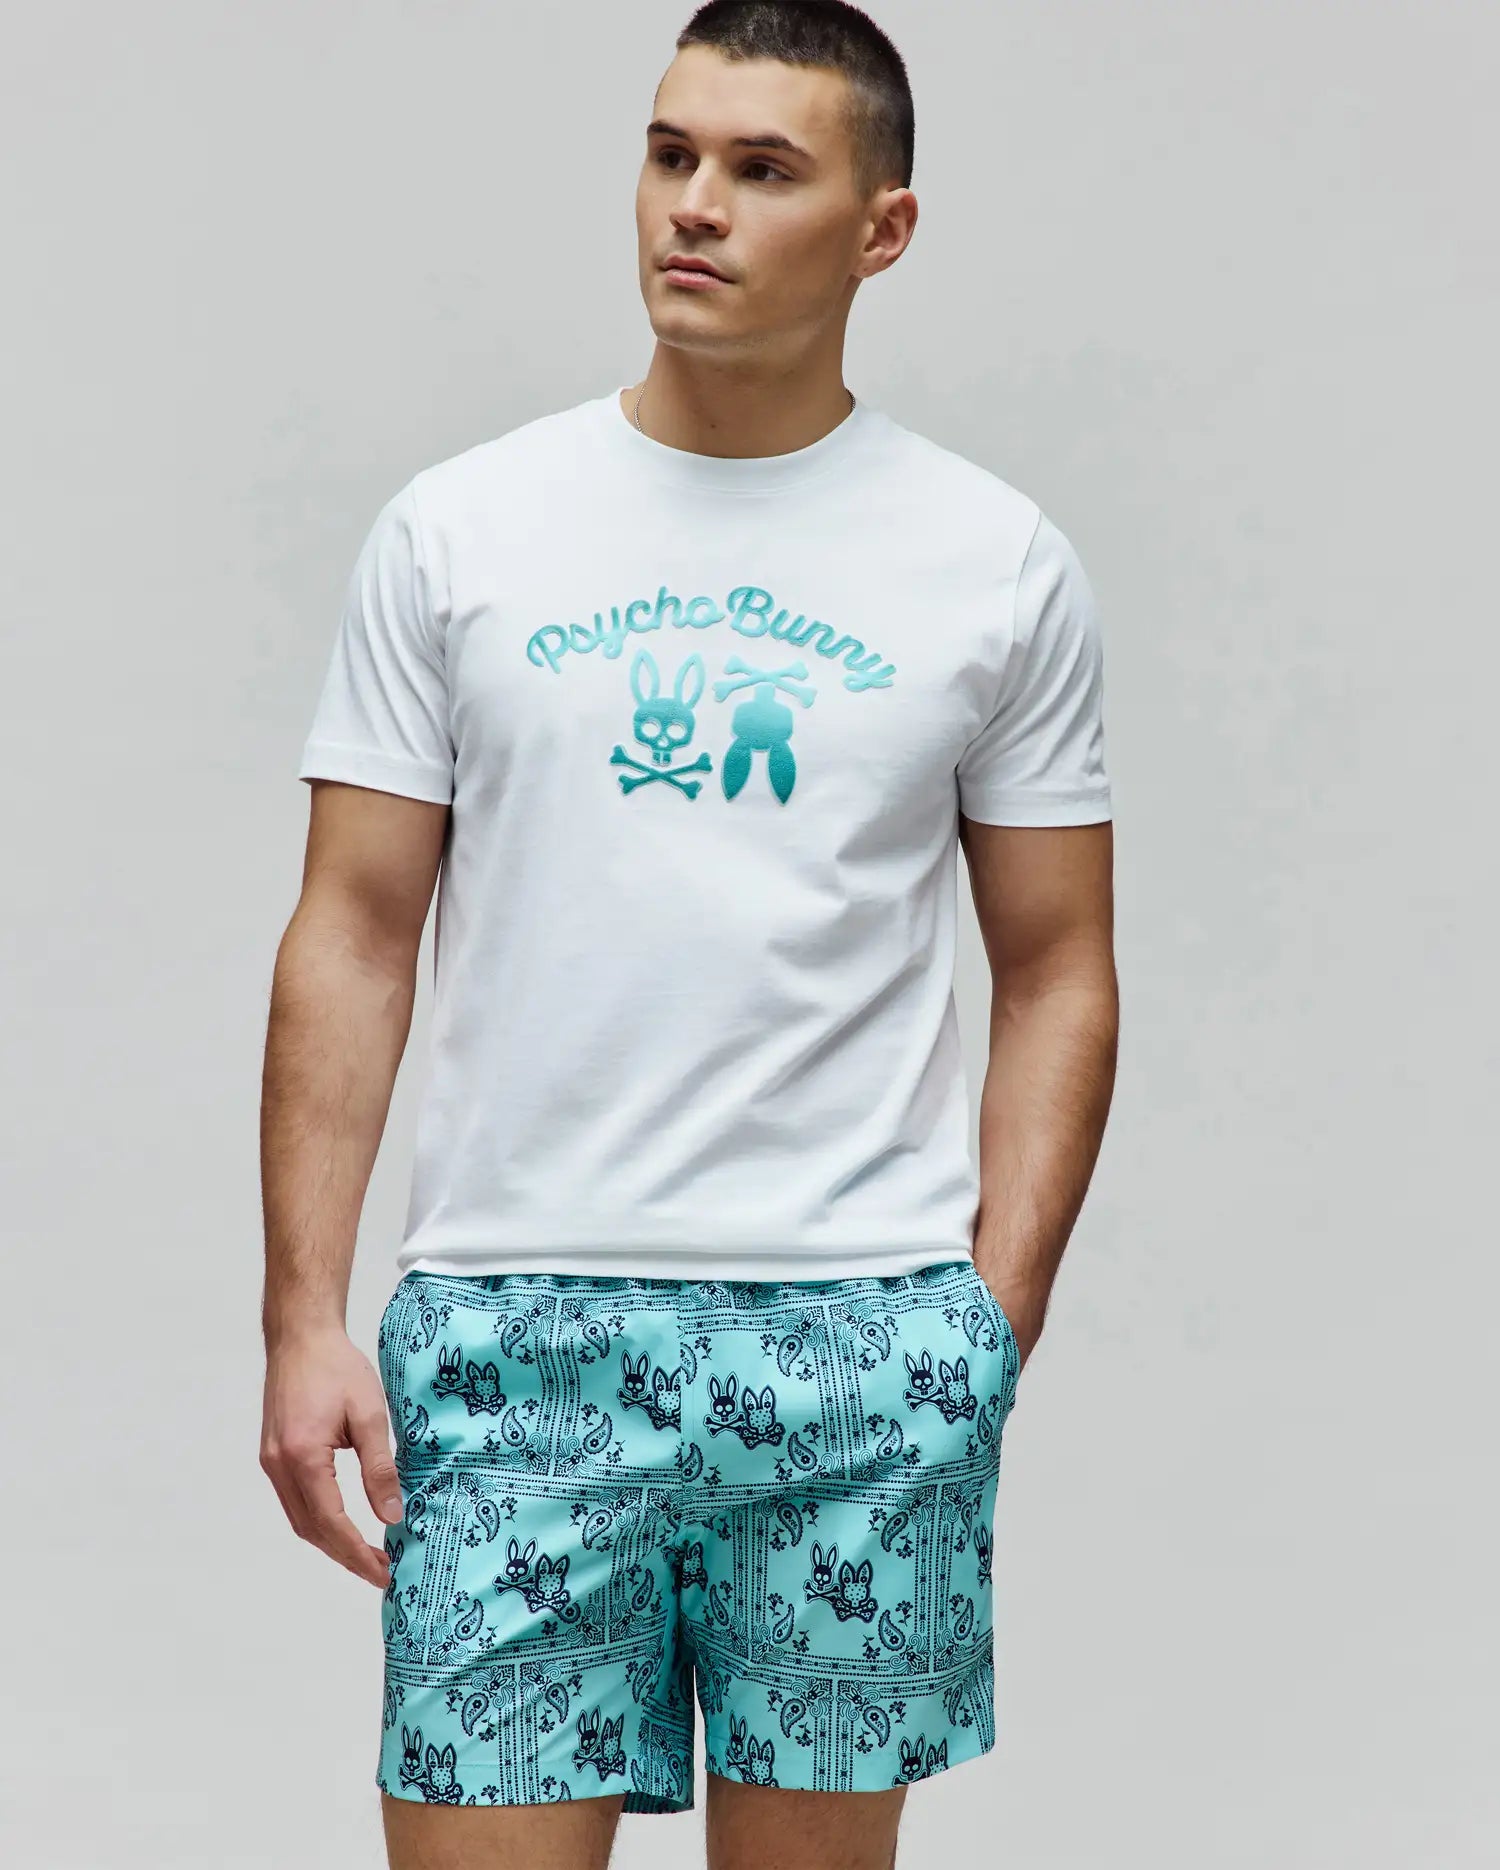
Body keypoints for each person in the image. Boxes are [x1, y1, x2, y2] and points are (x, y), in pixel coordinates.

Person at [259, 3, 1118, 1865]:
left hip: (859, 1348)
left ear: (883, 229)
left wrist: (990, 1315)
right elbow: (353, 928)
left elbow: (1059, 962)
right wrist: (302, 1312)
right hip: (514, 1333)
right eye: (670, 154)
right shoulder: (462, 533)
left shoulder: (993, 563)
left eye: (761, 168)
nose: (694, 207)